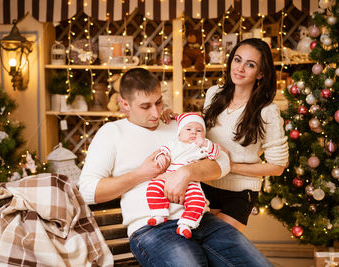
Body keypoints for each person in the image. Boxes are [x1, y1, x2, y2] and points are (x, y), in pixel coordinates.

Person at [79, 68, 272, 266]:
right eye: (145, 106)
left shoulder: (178, 126)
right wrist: (140, 174)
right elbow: (86, 191)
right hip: (153, 228)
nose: (156, 112)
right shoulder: (112, 133)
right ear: (124, 104)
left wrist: (186, 173)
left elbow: (223, 162)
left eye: (158, 102)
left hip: (201, 219)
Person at [202, 38, 288, 231]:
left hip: (240, 192)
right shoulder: (214, 94)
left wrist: (229, 166)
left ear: (261, 74)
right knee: (202, 250)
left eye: (250, 65)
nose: (240, 68)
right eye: (237, 60)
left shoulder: (267, 111)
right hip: (205, 185)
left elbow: (277, 167)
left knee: (217, 244)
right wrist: (174, 118)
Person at [146, 112, 219, 239]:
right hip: (168, 176)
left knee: (198, 201)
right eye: (188, 129)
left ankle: (186, 224)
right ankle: (159, 214)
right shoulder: (173, 144)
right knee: (153, 187)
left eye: (199, 130)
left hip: (191, 181)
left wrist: (205, 143)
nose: (193, 133)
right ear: (179, 133)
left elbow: (215, 154)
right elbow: (162, 152)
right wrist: (161, 157)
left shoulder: (199, 147)